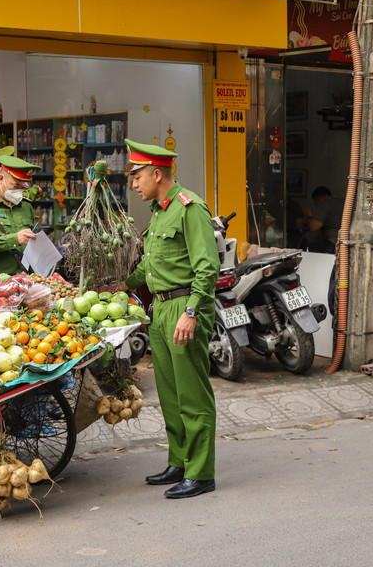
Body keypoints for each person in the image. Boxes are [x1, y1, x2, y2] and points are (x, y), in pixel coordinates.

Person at [119, 138, 219, 499]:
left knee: (192, 392)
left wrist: (191, 312)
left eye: (136, 177)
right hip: (159, 309)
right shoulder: (160, 211)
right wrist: (122, 285)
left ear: (156, 174)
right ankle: (179, 461)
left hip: (183, 307)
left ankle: (200, 472)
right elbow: (150, 264)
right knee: (170, 393)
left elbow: (208, 268)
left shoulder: (190, 208)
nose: (133, 184)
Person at [304, 186, 342, 253]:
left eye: (316, 203)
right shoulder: (341, 201)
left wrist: (308, 218)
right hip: (345, 238)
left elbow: (314, 227)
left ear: (318, 199)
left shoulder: (325, 204)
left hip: (333, 241)